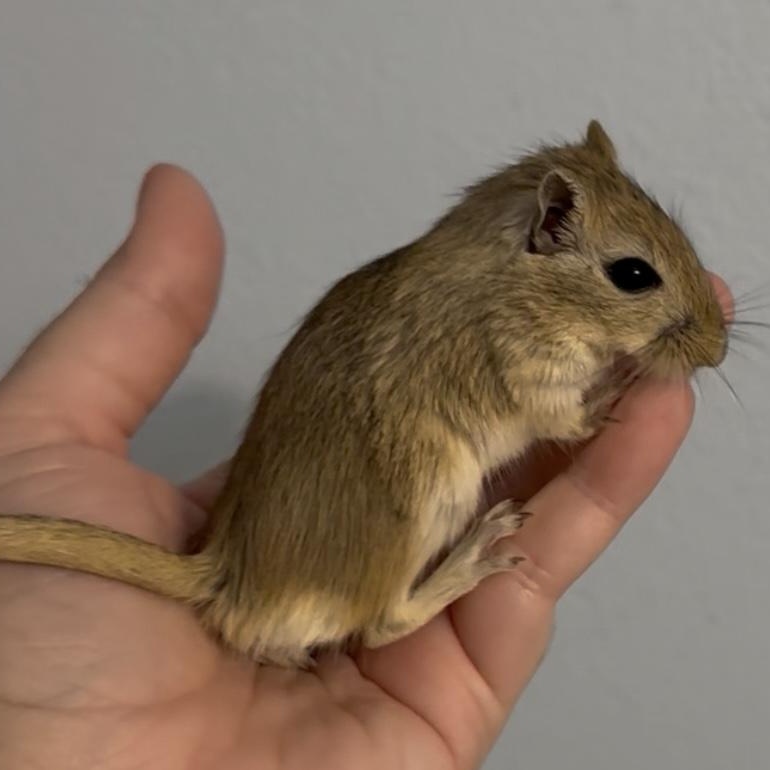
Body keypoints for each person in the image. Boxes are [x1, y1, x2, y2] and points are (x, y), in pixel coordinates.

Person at [0, 165, 730, 769]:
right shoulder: (499, 313)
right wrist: (574, 415)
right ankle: (393, 607)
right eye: (633, 277)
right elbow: (530, 401)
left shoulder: (459, 294)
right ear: (547, 230)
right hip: (316, 574)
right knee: (418, 469)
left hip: (282, 552)